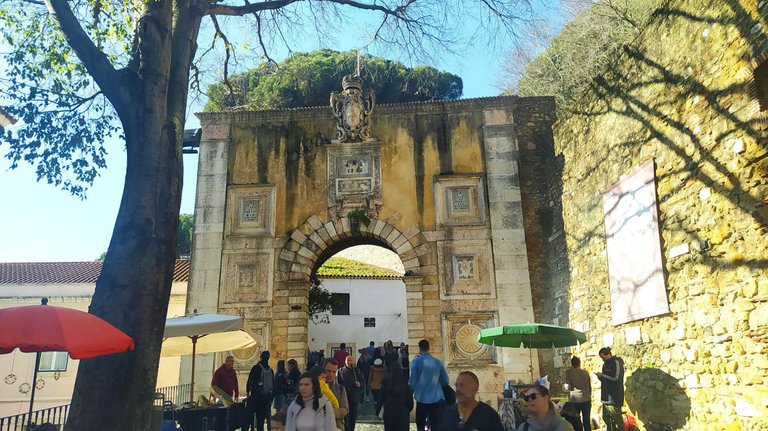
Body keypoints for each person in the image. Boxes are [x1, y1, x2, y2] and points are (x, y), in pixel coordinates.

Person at [439, 371, 504, 431]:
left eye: (462, 385)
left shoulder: (488, 415)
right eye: (457, 385)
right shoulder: (447, 413)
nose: (458, 389)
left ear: (475, 388)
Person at [409, 339, 449, 431]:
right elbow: (446, 380)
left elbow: (413, 381)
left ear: (420, 348)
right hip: (436, 397)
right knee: (435, 425)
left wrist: (410, 394)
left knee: (420, 425)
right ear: (428, 347)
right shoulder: (438, 362)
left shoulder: (416, 362)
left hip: (421, 398)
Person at [596, 348, 624, 431]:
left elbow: (616, 378)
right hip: (605, 397)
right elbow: (606, 380)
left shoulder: (616, 363)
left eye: (603, 357)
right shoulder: (605, 365)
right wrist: (600, 377)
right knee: (606, 419)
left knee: (617, 420)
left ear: (608, 355)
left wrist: (603, 376)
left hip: (614, 397)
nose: (603, 360)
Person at [247, 351, 275, 431]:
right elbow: (273, 385)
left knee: (249, 418)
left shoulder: (256, 368)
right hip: (265, 398)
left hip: (255, 397)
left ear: (261, 357)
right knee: (261, 420)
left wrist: (247, 393)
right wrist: (271, 399)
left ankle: (251, 428)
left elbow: (250, 381)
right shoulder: (270, 370)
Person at [382, 363, 414, 430]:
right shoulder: (405, 386)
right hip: (402, 415)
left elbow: (381, 399)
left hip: (389, 415)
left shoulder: (386, 385)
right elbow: (410, 404)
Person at [337, 355, 364, 431]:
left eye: (351, 360)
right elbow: (337, 383)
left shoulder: (357, 371)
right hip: (344, 397)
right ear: (345, 362)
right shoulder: (340, 371)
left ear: (354, 362)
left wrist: (359, 384)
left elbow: (362, 382)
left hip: (354, 397)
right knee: (345, 416)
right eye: (348, 360)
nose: (349, 362)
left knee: (353, 416)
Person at [565, 356, 591, 431]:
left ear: (572, 364)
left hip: (575, 400)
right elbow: (589, 386)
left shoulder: (569, 372)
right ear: (579, 363)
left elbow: (568, 387)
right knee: (587, 421)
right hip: (586, 398)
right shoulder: (585, 372)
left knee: (576, 422)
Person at [323, 358, 349, 431]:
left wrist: (330, 413)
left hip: (336, 426)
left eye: (334, 372)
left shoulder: (341, 389)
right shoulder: (314, 386)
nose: (331, 374)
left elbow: (345, 409)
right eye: (328, 371)